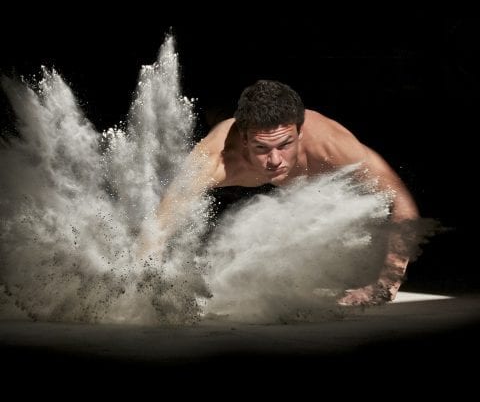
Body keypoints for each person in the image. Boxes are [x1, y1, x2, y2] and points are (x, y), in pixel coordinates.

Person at [141, 80, 419, 306]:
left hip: (320, 183)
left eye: (285, 144)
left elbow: (403, 205)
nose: (275, 160)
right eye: (262, 148)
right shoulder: (215, 158)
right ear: (244, 139)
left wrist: (385, 285)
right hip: (230, 170)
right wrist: (144, 287)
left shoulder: (328, 143)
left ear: (300, 132)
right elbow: (159, 225)